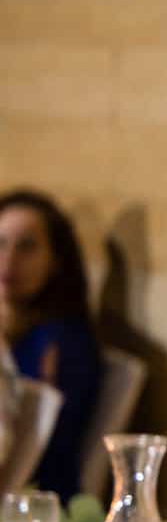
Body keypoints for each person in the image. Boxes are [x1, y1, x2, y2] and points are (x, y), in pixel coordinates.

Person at [0, 190, 102, 499]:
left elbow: (35, 448)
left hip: (34, 504)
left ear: (55, 260)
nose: (9, 260)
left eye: (27, 247)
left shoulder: (62, 343)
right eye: (0, 243)